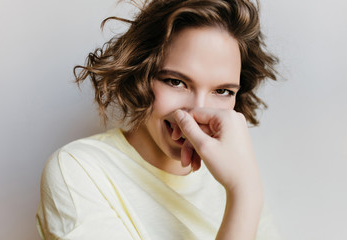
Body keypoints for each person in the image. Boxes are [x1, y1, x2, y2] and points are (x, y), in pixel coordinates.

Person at [36, 0, 280, 239]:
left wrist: (245, 191)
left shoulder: (236, 176)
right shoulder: (80, 170)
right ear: (141, 74)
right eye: (176, 82)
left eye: (222, 91)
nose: (197, 112)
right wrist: (245, 195)